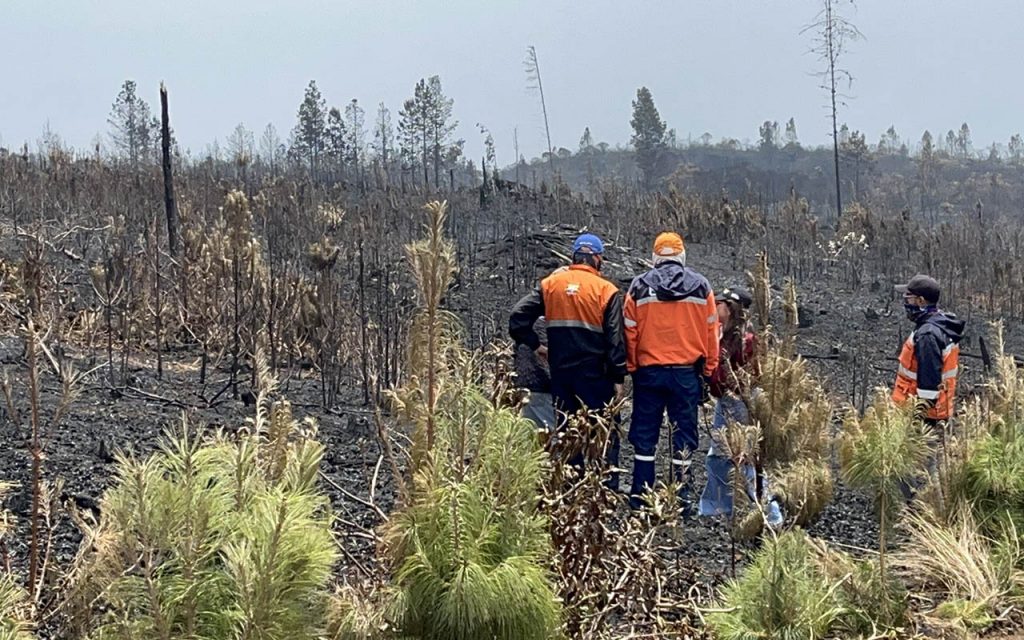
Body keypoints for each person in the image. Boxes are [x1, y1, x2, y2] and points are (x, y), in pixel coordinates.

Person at [509, 234, 627, 486]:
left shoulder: (551, 284)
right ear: (597, 259)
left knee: (566, 429)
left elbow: (517, 317)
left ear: (573, 256)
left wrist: (536, 345)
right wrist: (618, 377)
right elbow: (615, 341)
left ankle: (570, 486)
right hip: (597, 377)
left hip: (561, 375)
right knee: (603, 432)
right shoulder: (607, 291)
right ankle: (604, 487)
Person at [623, 232, 719, 512]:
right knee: (684, 435)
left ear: (655, 257)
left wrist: (631, 367)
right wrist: (709, 370)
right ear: (681, 256)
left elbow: (629, 331)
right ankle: (682, 498)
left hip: (649, 373)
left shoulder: (639, 286)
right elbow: (712, 332)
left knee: (644, 435)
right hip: (686, 374)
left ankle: (641, 497)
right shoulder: (701, 287)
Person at [699, 287, 760, 517]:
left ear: (731, 308)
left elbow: (745, 375)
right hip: (725, 400)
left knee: (743, 455)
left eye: (721, 304)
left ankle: (759, 509)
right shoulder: (724, 334)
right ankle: (717, 506)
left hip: (739, 401)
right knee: (718, 455)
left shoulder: (745, 339)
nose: (716, 307)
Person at [892, 275, 965, 428]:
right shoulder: (937, 324)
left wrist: (917, 417)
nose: (906, 302)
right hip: (932, 411)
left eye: (909, 298)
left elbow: (929, 380)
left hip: (922, 415)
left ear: (921, 301)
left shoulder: (928, 335)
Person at [514, 317, 556, 432]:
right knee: (549, 439)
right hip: (542, 391)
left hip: (525, 388)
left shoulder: (527, 323)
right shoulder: (548, 324)